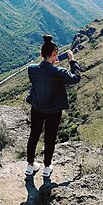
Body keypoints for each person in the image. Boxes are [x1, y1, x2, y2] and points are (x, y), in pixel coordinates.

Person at [25, 35, 81, 178]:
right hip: (53, 111)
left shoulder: (31, 69)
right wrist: (72, 61)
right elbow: (76, 78)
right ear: (55, 54)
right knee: (50, 138)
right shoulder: (59, 72)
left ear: (41, 54)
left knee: (34, 135)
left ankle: (30, 166)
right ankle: (46, 167)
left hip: (36, 107)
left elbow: (43, 71)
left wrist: (50, 62)